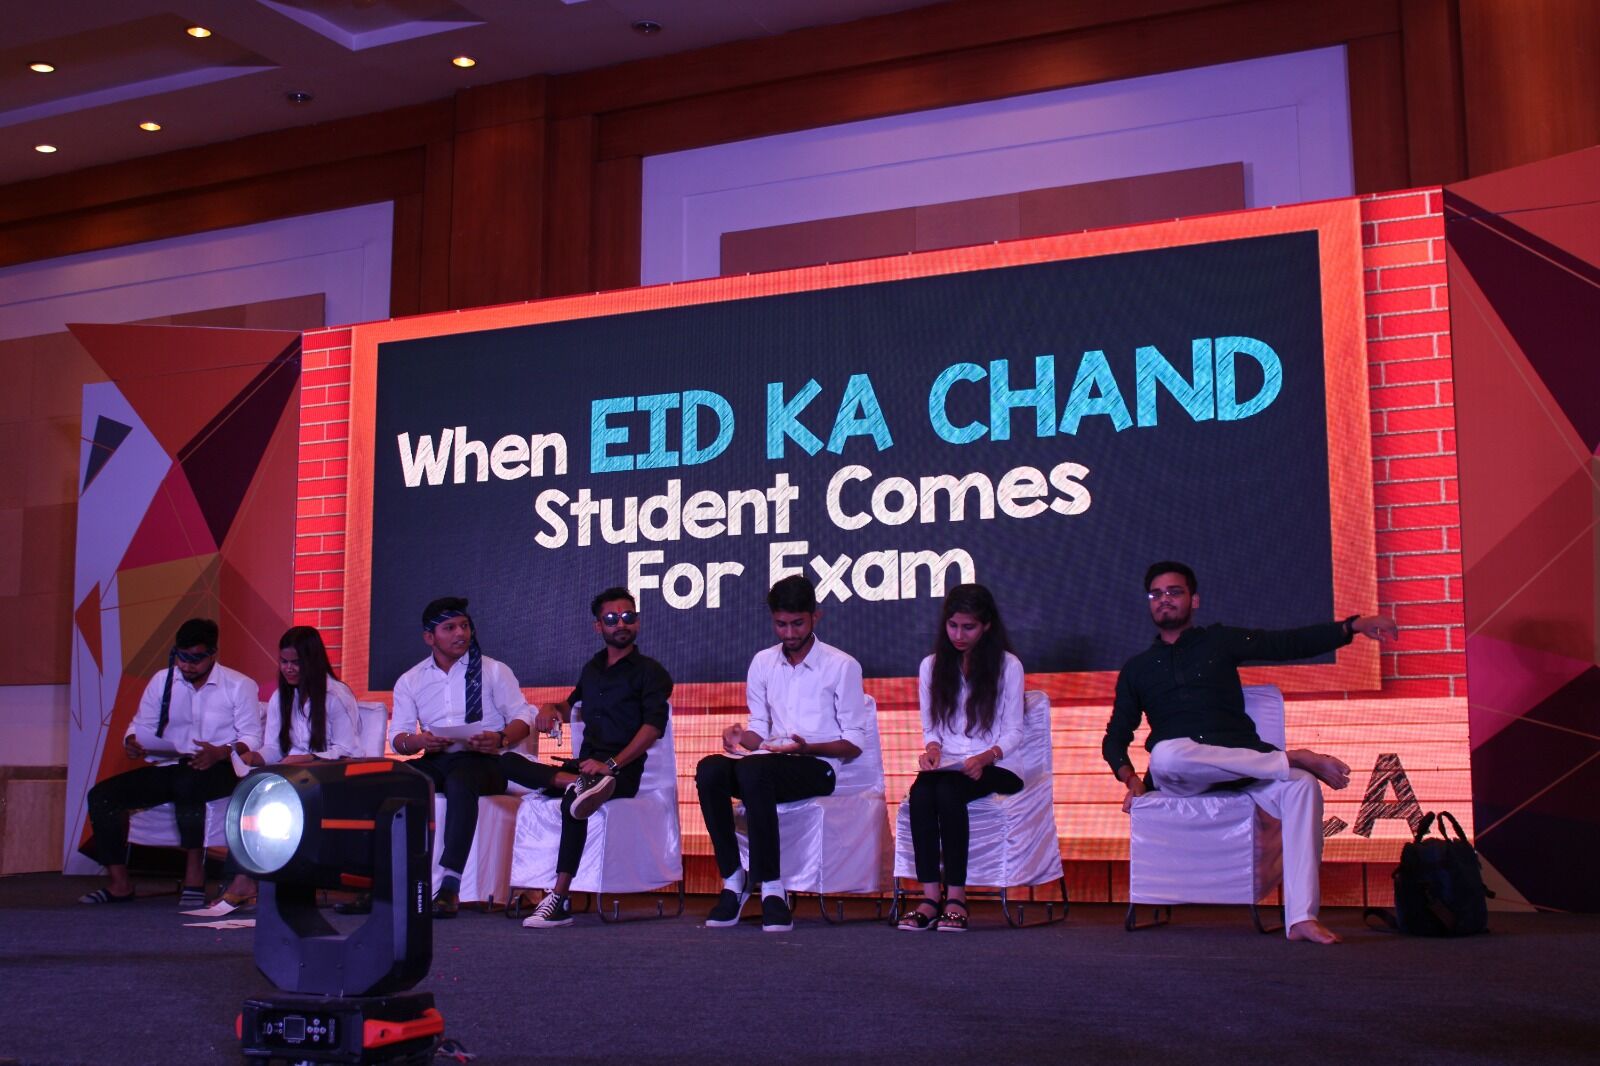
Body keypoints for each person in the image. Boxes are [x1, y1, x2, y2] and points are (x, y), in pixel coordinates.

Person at [1103, 561, 1399, 944]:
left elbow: (1286, 643)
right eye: (1156, 594)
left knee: (1302, 786)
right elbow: (1115, 738)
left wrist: (1352, 626)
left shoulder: (1219, 641)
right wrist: (1130, 778)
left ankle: (1301, 918)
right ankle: (1291, 757)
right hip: (1182, 777)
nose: (1164, 600)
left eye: (1174, 592)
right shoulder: (1137, 668)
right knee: (1165, 754)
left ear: (1194, 600)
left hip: (1243, 768)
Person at [696, 575, 870, 933]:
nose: (789, 633)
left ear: (816, 616)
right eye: (781, 624)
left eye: (797, 624)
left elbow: (854, 742)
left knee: (755, 770)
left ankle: (772, 886)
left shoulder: (842, 665)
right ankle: (733, 878)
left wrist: (807, 747)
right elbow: (759, 730)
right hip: (768, 764)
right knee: (709, 769)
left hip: (820, 766)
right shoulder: (763, 662)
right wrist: (740, 737)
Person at [501, 586, 673, 928]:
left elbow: (653, 729)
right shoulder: (593, 668)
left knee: (574, 802)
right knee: (504, 762)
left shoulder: (651, 672)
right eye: (611, 618)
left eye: (628, 617)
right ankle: (575, 782)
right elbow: (569, 707)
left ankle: (559, 899)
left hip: (620, 772)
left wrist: (610, 765)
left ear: (637, 622)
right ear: (598, 626)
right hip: (584, 768)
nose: (621, 624)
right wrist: (549, 708)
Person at [79, 618, 262, 908]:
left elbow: (252, 737)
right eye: (181, 656)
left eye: (195, 658)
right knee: (102, 795)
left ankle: (194, 875)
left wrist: (220, 752)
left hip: (220, 767)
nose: (186, 665)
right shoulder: (162, 681)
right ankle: (119, 884)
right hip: (172, 765)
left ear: (212, 654)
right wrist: (132, 741)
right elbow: (140, 725)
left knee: (187, 783)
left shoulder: (239, 685)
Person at [390, 596, 533, 917]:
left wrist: (500, 738)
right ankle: (381, 882)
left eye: (465, 626)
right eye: (450, 627)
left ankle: (450, 886)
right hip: (437, 757)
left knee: (460, 780)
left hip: (486, 761)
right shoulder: (411, 680)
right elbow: (398, 738)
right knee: (394, 781)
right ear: (429, 637)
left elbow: (523, 718)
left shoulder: (493, 671)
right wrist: (420, 740)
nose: (461, 634)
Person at [898, 585, 1025, 932]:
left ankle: (956, 897)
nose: (958, 635)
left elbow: (1014, 732)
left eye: (968, 627)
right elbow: (932, 728)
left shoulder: (1008, 666)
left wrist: (985, 757)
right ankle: (929, 897)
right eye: (952, 626)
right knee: (921, 793)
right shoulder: (931, 666)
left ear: (986, 625)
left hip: (998, 764)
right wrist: (932, 751)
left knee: (948, 793)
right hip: (951, 764)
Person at [215, 626, 364, 909]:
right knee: (247, 791)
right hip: (290, 774)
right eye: (284, 662)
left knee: (270, 793)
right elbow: (274, 749)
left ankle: (247, 881)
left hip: (328, 776)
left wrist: (307, 759)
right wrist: (254, 758)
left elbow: (349, 751)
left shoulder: (336, 695)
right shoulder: (281, 697)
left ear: (312, 662)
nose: (289, 669)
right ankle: (244, 876)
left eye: (296, 662)